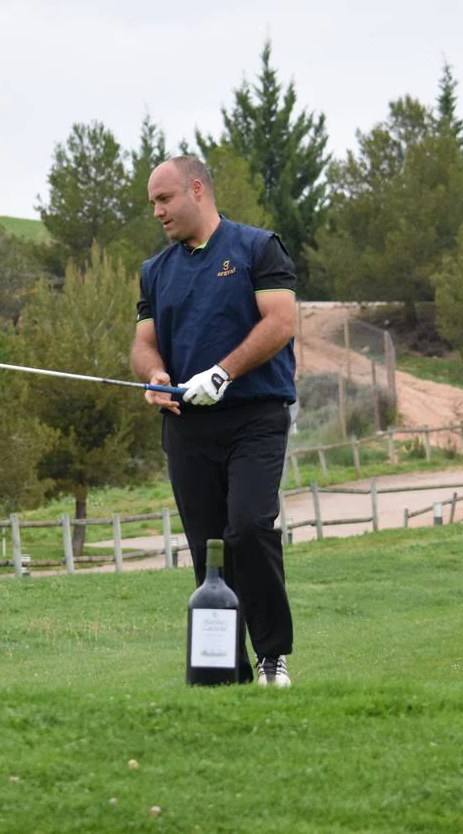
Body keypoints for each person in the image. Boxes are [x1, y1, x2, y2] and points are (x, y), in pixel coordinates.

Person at [130, 156, 297, 687]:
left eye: (164, 199)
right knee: (209, 555)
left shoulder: (256, 248)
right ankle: (228, 672)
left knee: (247, 529)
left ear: (196, 190)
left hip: (254, 416)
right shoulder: (155, 271)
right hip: (187, 427)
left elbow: (282, 321)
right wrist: (155, 375)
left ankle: (272, 655)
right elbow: (143, 343)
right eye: (152, 202)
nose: (157, 211)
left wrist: (223, 374)